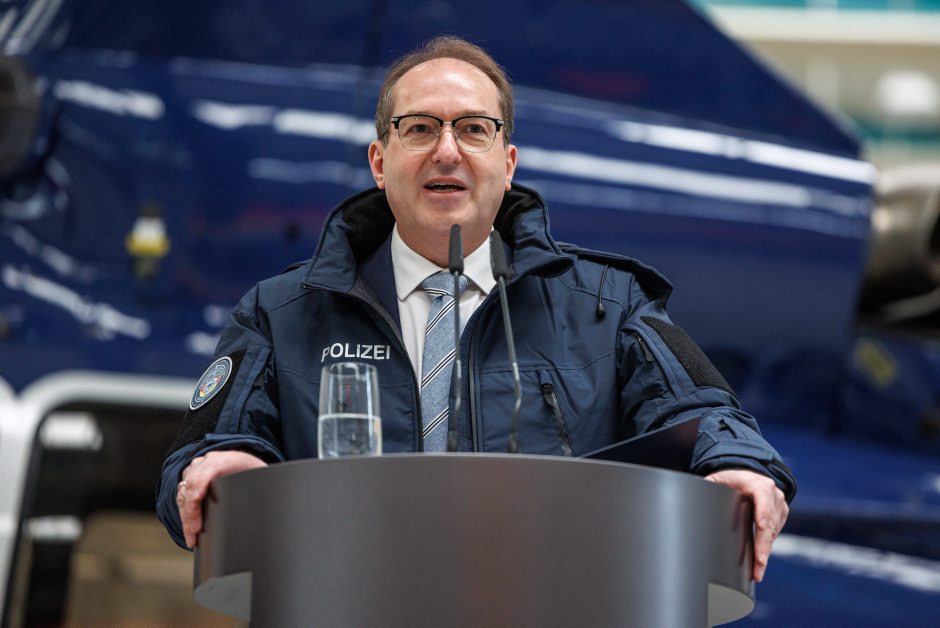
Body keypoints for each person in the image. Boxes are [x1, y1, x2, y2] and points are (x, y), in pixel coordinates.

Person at [157, 36, 795, 582]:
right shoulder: (281, 313)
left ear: (507, 163)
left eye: (473, 129)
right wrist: (222, 471)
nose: (446, 151)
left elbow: (704, 415)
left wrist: (737, 465)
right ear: (379, 161)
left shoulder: (610, 304)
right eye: (419, 128)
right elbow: (205, 453)